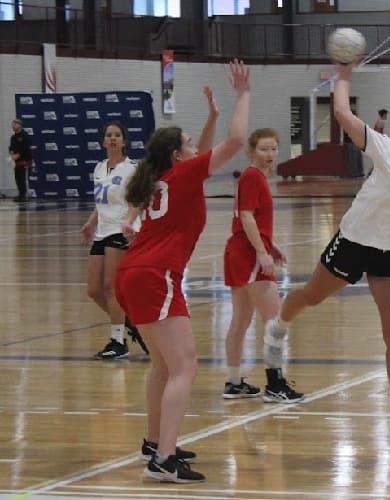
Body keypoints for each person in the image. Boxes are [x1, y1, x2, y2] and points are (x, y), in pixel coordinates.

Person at [266, 61, 390, 449]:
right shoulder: (386, 148)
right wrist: (343, 73)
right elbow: (342, 114)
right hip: (355, 239)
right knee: (311, 296)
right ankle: (278, 324)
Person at [115, 60, 250, 483]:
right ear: (179, 155)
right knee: (184, 366)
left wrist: (210, 116)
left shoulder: (166, 177)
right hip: (158, 274)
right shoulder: (186, 173)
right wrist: (242, 95)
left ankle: (156, 442)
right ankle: (164, 459)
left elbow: (208, 152)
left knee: (162, 365)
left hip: (133, 271)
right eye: (190, 142)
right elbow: (236, 141)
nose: (196, 147)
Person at [221, 128, 304, 403]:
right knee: (274, 320)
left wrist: (271, 245)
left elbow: (253, 218)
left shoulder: (254, 177)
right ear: (251, 152)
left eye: (273, 149)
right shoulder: (252, 176)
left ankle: (234, 382)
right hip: (247, 254)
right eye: (263, 149)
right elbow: (246, 216)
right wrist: (261, 251)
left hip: (239, 251)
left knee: (241, 321)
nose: (269, 155)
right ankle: (274, 384)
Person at [81, 122, 148, 360]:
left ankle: (118, 341)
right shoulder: (99, 168)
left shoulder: (132, 168)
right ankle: (131, 323)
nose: (112, 139)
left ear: (124, 141)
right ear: (102, 141)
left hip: (121, 231)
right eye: (108, 135)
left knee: (111, 287)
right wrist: (91, 222)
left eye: (117, 135)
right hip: (102, 230)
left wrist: (131, 220)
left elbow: (138, 198)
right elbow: (101, 202)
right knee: (93, 289)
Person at [9, 118, 32, 201]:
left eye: (14, 124)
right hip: (17, 162)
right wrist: (12, 154)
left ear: (19, 125)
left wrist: (18, 155)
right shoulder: (13, 137)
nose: (13, 126)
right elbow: (11, 147)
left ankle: (25, 195)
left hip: (25, 161)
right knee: (18, 178)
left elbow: (25, 148)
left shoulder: (25, 135)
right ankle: (21, 194)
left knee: (23, 179)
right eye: (12, 124)